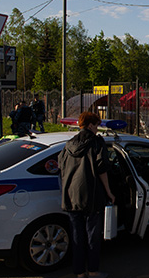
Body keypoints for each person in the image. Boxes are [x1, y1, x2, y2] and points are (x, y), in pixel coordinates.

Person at [59, 112, 115, 278]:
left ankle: (79, 272)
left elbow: (61, 165)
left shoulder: (69, 143)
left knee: (77, 236)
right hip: (91, 195)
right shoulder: (97, 142)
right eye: (96, 125)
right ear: (90, 125)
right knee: (92, 236)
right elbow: (101, 168)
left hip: (70, 195)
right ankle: (93, 270)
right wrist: (109, 192)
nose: (97, 129)